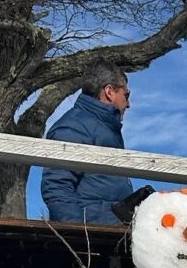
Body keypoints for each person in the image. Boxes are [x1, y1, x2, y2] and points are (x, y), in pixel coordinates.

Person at [41, 60, 134, 225]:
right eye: (126, 95)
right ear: (110, 92)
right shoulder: (74, 126)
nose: (128, 104)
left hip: (109, 231)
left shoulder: (102, 128)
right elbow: (57, 188)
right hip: (94, 237)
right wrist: (77, 233)